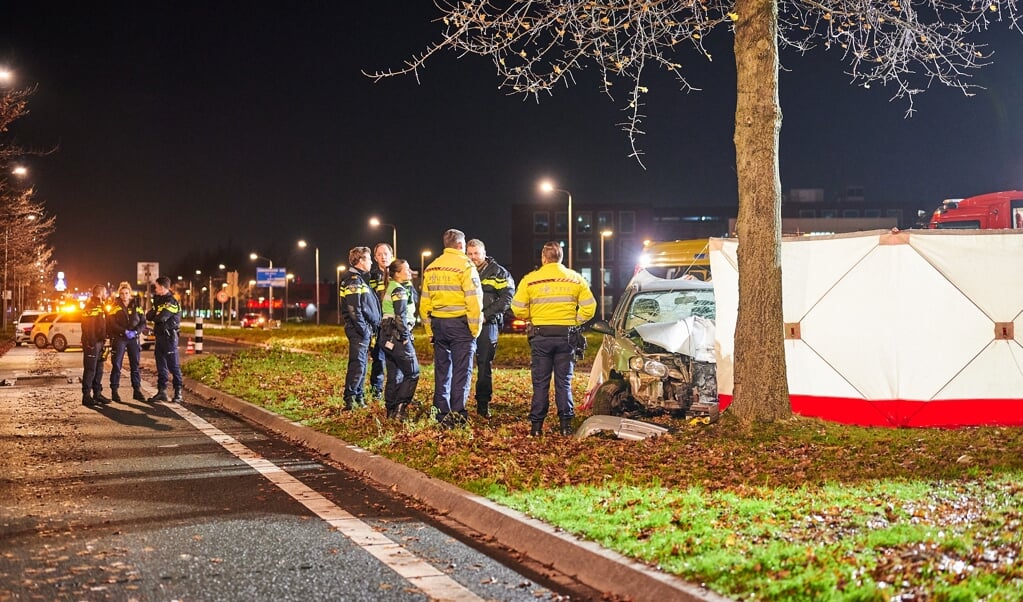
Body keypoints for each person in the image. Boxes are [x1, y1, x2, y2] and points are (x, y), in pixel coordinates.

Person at [512, 241, 596, 436]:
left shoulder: (531, 280)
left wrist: (531, 317)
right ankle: (566, 426)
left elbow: (517, 307)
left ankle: (536, 427)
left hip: (540, 335)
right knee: (563, 382)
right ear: (561, 258)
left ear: (543, 258)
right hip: (566, 336)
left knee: (540, 383)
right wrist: (574, 321)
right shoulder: (575, 279)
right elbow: (590, 307)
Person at [419, 229, 483, 428]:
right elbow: (473, 300)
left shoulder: (431, 268)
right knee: (461, 371)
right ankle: (458, 414)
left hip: (439, 324)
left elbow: (424, 305)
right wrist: (475, 329)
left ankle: (440, 412)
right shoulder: (466, 266)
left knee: (442, 369)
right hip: (460, 325)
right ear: (461, 245)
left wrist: (430, 331)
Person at [465, 238, 515, 418]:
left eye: (476, 253)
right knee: (463, 365)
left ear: (484, 253)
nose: (473, 257)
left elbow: (506, 299)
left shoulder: (499, 273)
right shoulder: (464, 271)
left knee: (484, 365)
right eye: (469, 254)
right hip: (466, 324)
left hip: (488, 324)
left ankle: (483, 403)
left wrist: (485, 315)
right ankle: (459, 403)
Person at [340, 246, 381, 410]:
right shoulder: (353, 281)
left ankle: (358, 396)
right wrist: (364, 330)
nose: (371, 262)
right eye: (369, 259)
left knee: (362, 364)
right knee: (357, 364)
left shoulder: (359, 279)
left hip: (362, 330)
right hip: (358, 330)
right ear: (361, 261)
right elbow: (354, 309)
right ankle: (350, 399)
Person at [380, 259, 420, 420]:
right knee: (413, 373)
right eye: (406, 269)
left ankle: (390, 410)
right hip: (397, 336)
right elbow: (400, 316)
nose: (410, 271)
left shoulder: (393, 287)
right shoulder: (399, 291)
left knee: (394, 374)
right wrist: (404, 337)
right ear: (397, 273)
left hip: (386, 336)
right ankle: (400, 409)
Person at [107, 281, 146, 402]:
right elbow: (112, 323)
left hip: (133, 338)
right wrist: (124, 331)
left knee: (135, 365)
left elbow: (143, 322)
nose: (124, 296)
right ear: (119, 294)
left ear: (130, 294)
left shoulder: (137, 306)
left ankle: (137, 390)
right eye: (122, 293)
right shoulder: (115, 307)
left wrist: (136, 332)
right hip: (120, 338)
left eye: (126, 293)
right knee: (117, 365)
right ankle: (114, 391)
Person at [146, 276, 184, 403]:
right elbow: (149, 316)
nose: (155, 289)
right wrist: (156, 314)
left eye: (156, 287)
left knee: (173, 366)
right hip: (160, 337)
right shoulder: (159, 301)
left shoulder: (171, 301)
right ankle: (162, 391)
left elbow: (161, 318)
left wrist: (156, 315)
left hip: (169, 337)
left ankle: (178, 392)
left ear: (162, 287)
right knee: (161, 366)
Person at [367, 242, 393, 400]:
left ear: (391, 255)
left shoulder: (400, 272)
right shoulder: (372, 276)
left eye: (386, 253)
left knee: (398, 359)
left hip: (397, 324)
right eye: (380, 254)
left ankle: (397, 390)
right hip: (379, 324)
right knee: (379, 358)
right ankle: (376, 391)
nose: (383, 257)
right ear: (375, 257)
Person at [81, 284, 110, 407]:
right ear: (101, 293)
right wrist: (91, 343)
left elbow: (101, 325)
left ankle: (97, 394)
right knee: (90, 369)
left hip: (99, 342)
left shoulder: (100, 305)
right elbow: (88, 327)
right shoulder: (92, 306)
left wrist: (104, 340)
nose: (107, 295)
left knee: (99, 369)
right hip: (92, 343)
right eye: (105, 292)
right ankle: (86, 396)